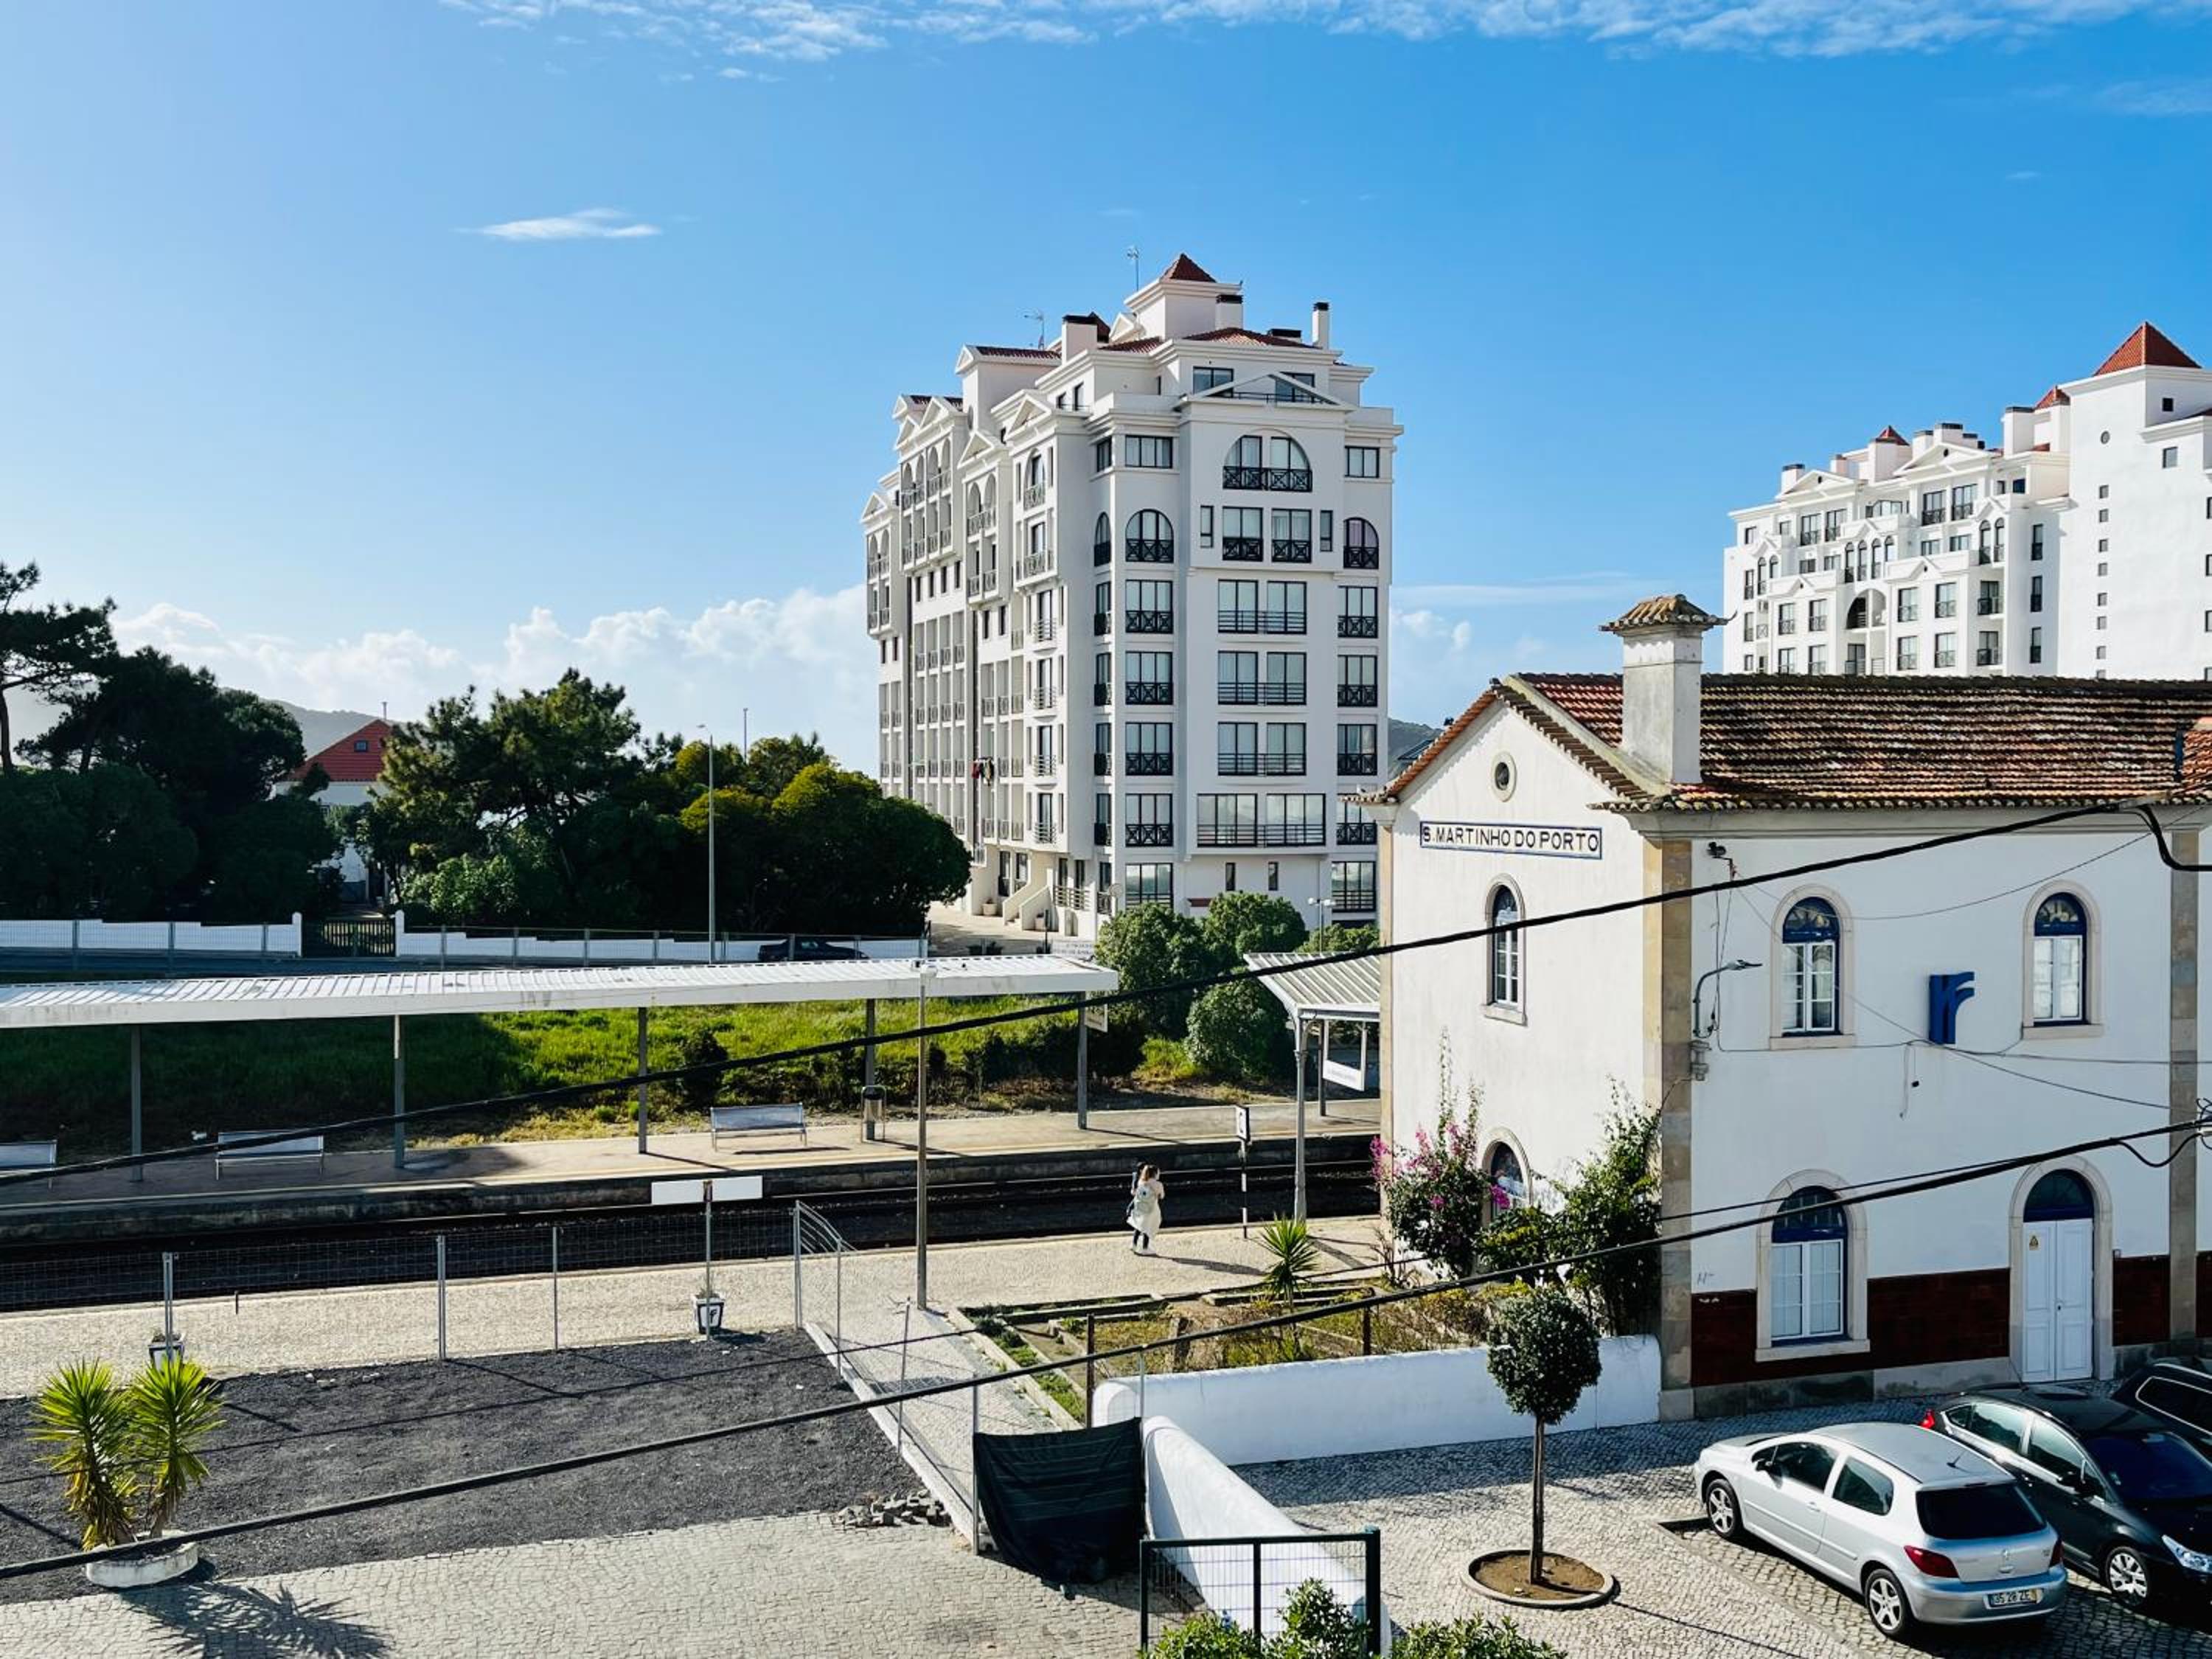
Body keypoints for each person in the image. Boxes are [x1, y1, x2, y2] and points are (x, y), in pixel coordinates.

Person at [1127, 1164, 1166, 1254]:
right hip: (1151, 1209)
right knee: (1148, 1227)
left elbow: (1135, 1193)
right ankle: (1145, 1248)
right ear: (1155, 1174)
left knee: (1139, 1226)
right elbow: (1161, 1196)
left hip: (1140, 1207)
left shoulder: (1141, 1181)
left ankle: (1133, 1244)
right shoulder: (1158, 1184)